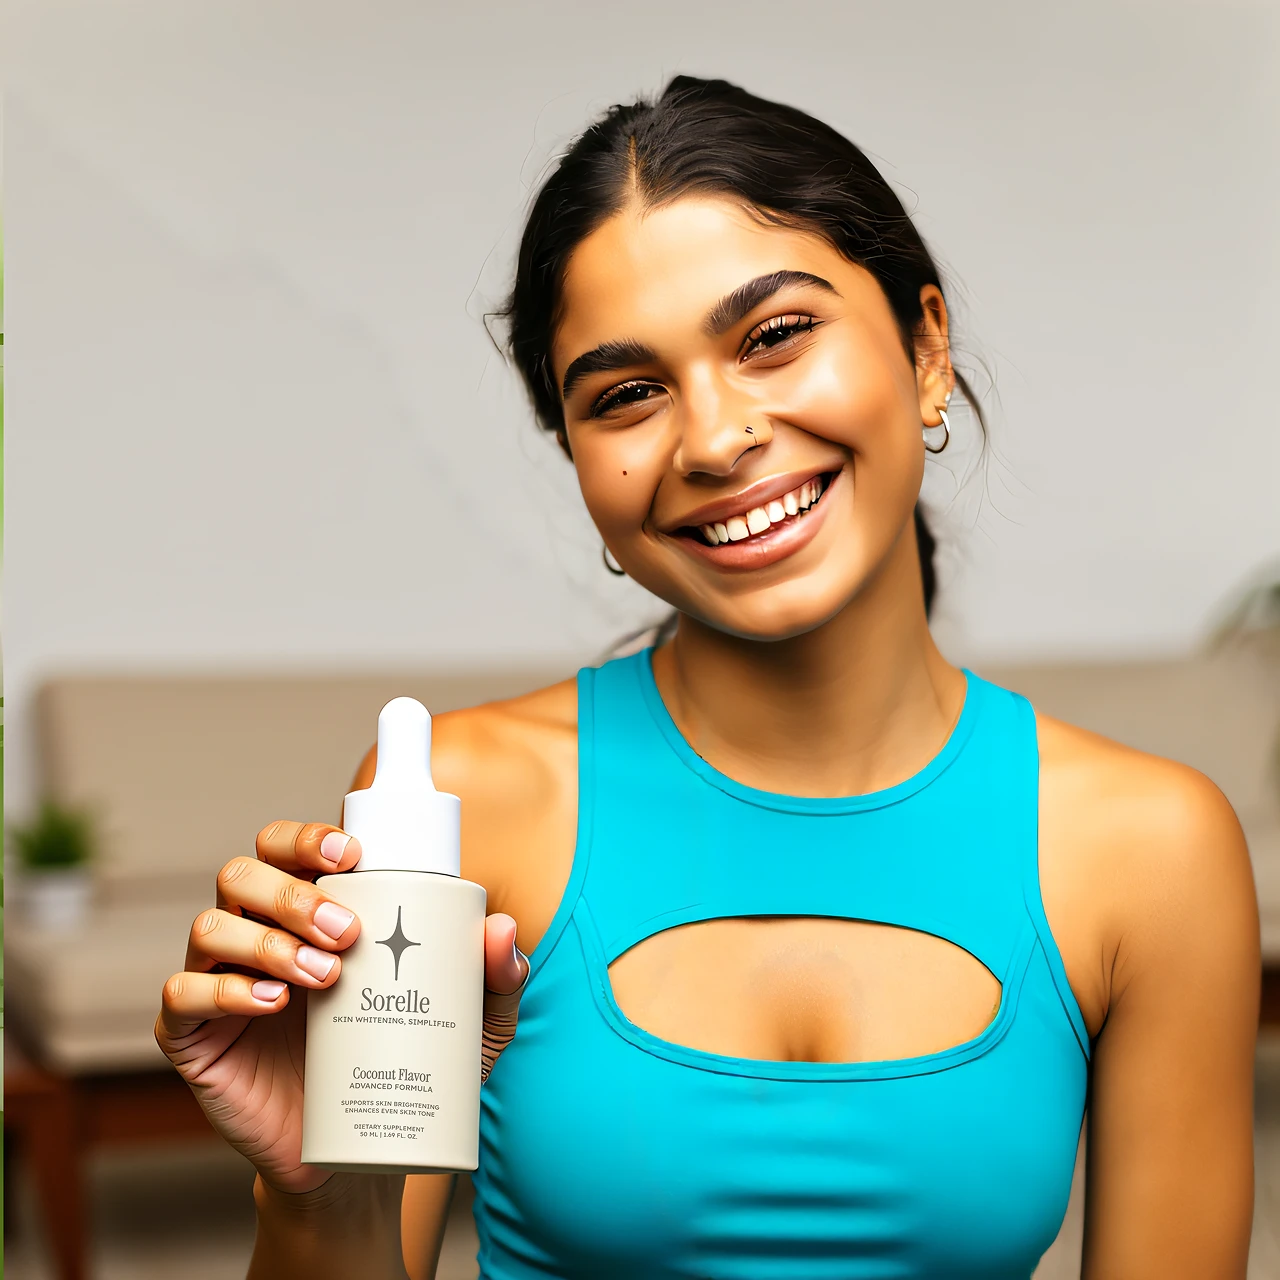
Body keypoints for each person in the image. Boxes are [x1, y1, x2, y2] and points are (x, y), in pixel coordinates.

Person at [155, 76, 1259, 1279]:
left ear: (925, 347)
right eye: (627, 393)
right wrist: (317, 1198)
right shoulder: (464, 800)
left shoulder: (1152, 849)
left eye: (774, 336)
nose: (715, 437)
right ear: (579, 463)